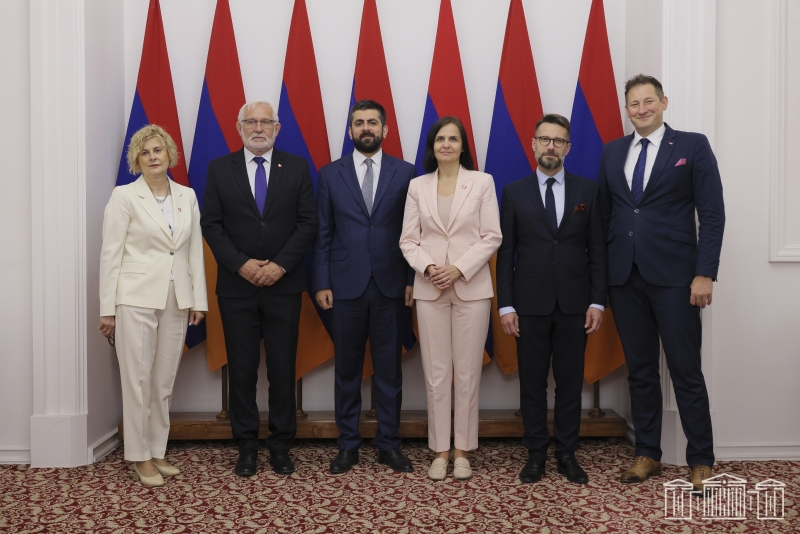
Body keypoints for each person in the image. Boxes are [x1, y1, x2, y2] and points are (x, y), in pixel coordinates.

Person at [597, 75, 725, 492]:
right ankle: (647, 453)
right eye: (634, 104)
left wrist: (705, 272)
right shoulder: (612, 151)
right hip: (624, 278)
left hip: (676, 278)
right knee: (640, 371)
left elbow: (712, 213)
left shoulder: (692, 145)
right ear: (627, 110)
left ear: (664, 102)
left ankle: (701, 459)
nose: (641, 109)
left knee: (685, 370)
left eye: (648, 101)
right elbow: (605, 216)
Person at [201, 100, 317, 477]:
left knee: (283, 369)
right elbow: (211, 225)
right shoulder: (220, 169)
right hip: (237, 287)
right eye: (251, 121)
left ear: (277, 128)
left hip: (284, 286)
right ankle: (247, 445)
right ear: (239, 128)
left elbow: (307, 223)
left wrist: (280, 265)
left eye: (266, 121)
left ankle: (281, 445)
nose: (258, 128)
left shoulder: (296, 167)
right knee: (242, 370)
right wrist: (242, 264)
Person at [497, 114, 607, 485]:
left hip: (576, 304)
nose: (551, 146)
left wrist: (597, 301)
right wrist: (506, 305)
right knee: (532, 384)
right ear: (533, 144)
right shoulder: (513, 192)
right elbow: (506, 253)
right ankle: (536, 453)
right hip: (528, 304)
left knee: (570, 383)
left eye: (558, 141)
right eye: (544, 139)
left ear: (568, 148)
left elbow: (598, 250)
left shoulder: (588, 191)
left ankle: (566, 453)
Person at [99, 124, 207, 487]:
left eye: (157, 150)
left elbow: (193, 251)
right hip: (134, 298)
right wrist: (107, 308)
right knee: (138, 380)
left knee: (164, 380)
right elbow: (110, 254)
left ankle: (157, 450)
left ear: (169, 154)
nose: (152, 157)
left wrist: (198, 299)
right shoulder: (124, 196)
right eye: (144, 153)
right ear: (136, 160)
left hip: (177, 298)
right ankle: (139, 455)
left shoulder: (187, 196)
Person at [313, 100, 416, 474]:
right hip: (344, 286)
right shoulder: (330, 174)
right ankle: (348, 445)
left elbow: (414, 232)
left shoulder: (406, 172)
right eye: (359, 123)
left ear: (385, 129)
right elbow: (323, 233)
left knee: (389, 371)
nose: (366, 128)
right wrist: (321, 281)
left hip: (392, 285)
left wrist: (411, 280)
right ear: (350, 130)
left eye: (373, 122)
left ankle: (389, 444)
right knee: (347, 371)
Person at [400, 116, 502, 481]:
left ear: (462, 146)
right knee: (436, 373)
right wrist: (430, 268)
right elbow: (408, 240)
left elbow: (492, 236)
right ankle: (440, 451)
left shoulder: (482, 182)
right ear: (433, 145)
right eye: (440, 138)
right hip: (430, 288)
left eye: (453, 138)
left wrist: (458, 268)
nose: (446, 144)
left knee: (468, 373)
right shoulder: (417, 186)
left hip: (471, 288)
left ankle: (463, 451)